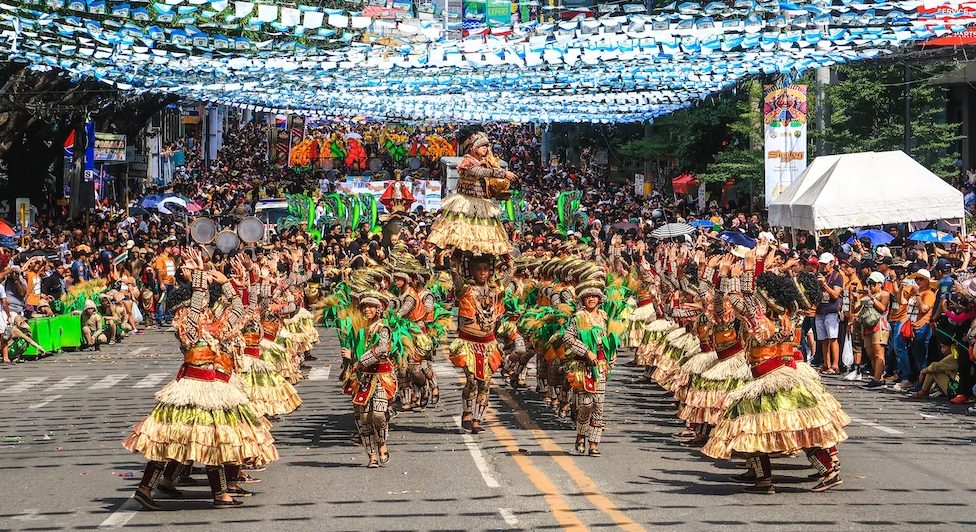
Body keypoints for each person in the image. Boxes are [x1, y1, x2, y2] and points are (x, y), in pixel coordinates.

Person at [123, 249, 278, 509]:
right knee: (172, 440)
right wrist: (199, 277)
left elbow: (240, 313)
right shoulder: (188, 327)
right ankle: (151, 489)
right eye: (201, 306)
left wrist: (229, 284)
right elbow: (195, 308)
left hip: (212, 388)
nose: (206, 308)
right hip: (191, 389)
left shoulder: (212, 329)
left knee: (210, 439)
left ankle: (211, 493)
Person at [449, 254, 505, 435]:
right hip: (468, 342)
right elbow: (455, 276)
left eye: (485, 269)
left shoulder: (495, 290)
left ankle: (477, 420)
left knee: (485, 384)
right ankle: (467, 412)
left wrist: (506, 258)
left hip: (488, 344)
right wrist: (456, 257)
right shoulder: (465, 289)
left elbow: (509, 275)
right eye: (479, 269)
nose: (482, 273)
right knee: (472, 381)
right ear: (472, 270)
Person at [343, 292, 395, 468]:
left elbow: (381, 350)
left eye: (371, 306)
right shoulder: (358, 330)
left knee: (378, 415)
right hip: (362, 378)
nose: (367, 310)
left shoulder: (383, 329)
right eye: (364, 307)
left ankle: (381, 442)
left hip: (381, 377)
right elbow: (352, 351)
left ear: (378, 310)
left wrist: (359, 361)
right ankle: (372, 456)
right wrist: (349, 358)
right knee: (364, 418)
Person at [563, 276, 612, 456]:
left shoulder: (605, 318)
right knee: (586, 404)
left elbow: (611, 342)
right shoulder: (578, 318)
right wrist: (586, 352)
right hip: (583, 367)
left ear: (600, 299)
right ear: (583, 299)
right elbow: (567, 338)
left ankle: (594, 443)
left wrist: (609, 360)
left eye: (594, 296)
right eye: (587, 296)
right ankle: (580, 435)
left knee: (598, 406)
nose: (591, 299)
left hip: (600, 367)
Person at [895, 268, 937, 392]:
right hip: (912, 327)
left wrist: (918, 294)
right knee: (915, 355)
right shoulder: (913, 293)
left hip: (922, 327)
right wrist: (901, 289)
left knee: (922, 357)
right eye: (916, 279)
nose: (918, 281)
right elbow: (901, 301)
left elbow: (924, 309)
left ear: (927, 281)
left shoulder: (929, 294)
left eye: (921, 279)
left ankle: (923, 384)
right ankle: (918, 382)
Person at [857, 272, 891, 390]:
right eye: (869, 284)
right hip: (867, 325)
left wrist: (871, 297)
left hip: (879, 324)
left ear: (880, 284)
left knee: (878, 352)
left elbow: (882, 308)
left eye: (873, 284)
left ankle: (877, 380)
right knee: (870, 353)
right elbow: (855, 308)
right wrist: (855, 297)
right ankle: (878, 377)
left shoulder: (884, 294)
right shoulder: (866, 296)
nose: (871, 286)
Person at [815, 253, 843, 375]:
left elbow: (835, 294)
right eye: (821, 264)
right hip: (820, 310)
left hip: (831, 310)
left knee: (833, 338)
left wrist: (825, 284)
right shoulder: (819, 275)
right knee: (823, 339)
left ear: (832, 264)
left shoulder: (837, 276)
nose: (823, 266)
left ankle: (835, 365)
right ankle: (826, 363)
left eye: (825, 264)